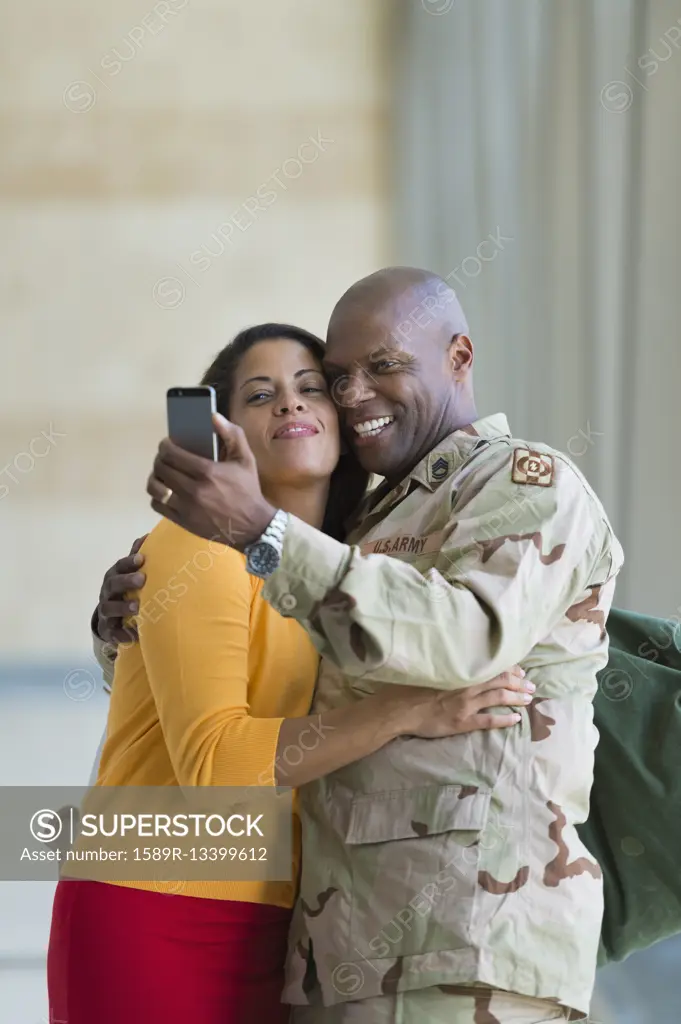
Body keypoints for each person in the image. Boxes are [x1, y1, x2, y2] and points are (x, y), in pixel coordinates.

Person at [142, 267, 624, 1023]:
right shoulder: (362, 526)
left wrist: (264, 534)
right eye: (339, 377)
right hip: (340, 954)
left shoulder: (525, 484)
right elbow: (268, 682)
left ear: (458, 357)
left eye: (384, 366)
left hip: (466, 948)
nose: (353, 394)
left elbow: (466, 637)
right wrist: (129, 632)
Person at [49, 322, 532, 1024]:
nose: (290, 405)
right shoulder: (199, 544)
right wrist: (405, 710)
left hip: (283, 919)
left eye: (311, 388)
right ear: (223, 432)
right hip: (154, 902)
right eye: (260, 394)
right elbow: (214, 766)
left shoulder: (347, 567)